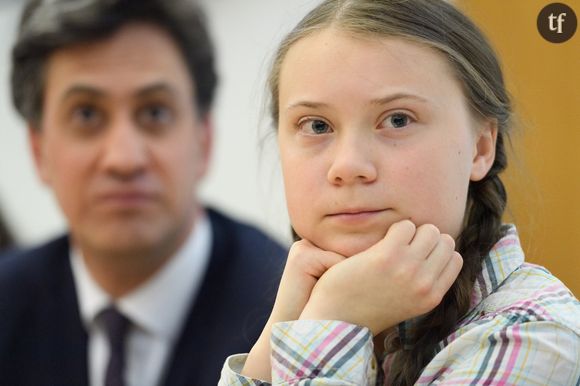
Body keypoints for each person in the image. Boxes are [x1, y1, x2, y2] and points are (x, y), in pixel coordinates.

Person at [220, 0, 580, 384]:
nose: (348, 166)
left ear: (481, 148)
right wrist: (277, 337)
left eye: (397, 119)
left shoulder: (530, 334)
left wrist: (334, 319)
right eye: (317, 126)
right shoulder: (317, 304)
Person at [0, 0, 286, 385]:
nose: (124, 159)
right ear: (38, 151)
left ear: (203, 139)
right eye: (86, 114)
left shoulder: (286, 317)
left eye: (154, 112)